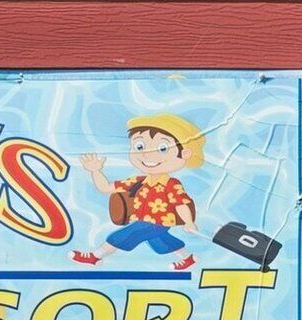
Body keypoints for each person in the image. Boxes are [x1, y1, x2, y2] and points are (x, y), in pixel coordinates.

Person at [75, 113, 206, 269]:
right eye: (139, 146)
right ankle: (189, 258)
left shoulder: (170, 184)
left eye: (162, 148)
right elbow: (106, 188)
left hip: (158, 222)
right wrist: (95, 171)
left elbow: (181, 204)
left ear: (184, 154)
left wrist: (189, 222)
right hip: (145, 221)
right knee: (159, 243)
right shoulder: (137, 181)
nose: (147, 154)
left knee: (128, 234)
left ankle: (95, 256)